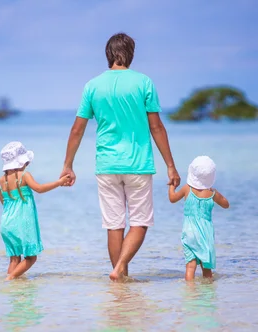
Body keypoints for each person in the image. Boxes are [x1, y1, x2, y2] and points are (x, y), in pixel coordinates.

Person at [60, 32, 181, 282]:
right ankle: (120, 269)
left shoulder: (92, 86)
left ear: (108, 55)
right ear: (131, 54)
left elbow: (77, 129)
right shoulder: (144, 83)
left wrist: (67, 165)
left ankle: (120, 277)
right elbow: (156, 127)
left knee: (114, 225)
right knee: (140, 222)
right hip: (138, 164)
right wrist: (171, 165)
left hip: (106, 165)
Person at [0, 141, 70, 280]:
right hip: (22, 223)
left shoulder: (0, 181)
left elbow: (3, 202)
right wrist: (59, 182)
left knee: (14, 259)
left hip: (6, 223)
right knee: (31, 257)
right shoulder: (24, 176)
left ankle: (12, 287)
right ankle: (10, 279)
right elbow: (39, 189)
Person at [168, 156, 230, 281]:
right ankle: (207, 293)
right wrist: (215, 193)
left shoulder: (187, 189)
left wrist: (172, 186)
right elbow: (226, 204)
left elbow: (172, 199)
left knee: (190, 266)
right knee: (206, 268)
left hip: (189, 231)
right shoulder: (212, 193)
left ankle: (190, 292)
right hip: (205, 234)